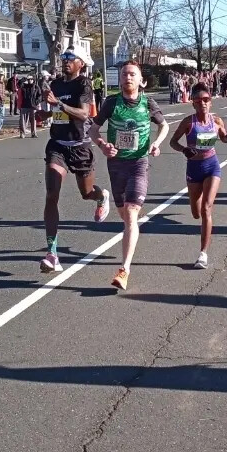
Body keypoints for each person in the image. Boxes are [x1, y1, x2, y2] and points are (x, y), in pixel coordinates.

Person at [89, 60, 169, 290]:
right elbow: (93, 129)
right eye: (124, 74)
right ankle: (108, 200)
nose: (128, 78)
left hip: (138, 163)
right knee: (125, 215)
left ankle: (124, 269)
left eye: (132, 74)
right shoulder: (111, 102)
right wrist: (103, 145)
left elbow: (164, 126)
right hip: (116, 164)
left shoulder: (147, 103)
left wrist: (156, 143)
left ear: (141, 80)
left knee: (132, 214)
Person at [40, 47, 111, 273]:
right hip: (58, 145)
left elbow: (84, 113)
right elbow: (58, 112)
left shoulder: (84, 84)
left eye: (71, 58)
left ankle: (101, 197)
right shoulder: (56, 84)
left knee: (86, 193)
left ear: (81, 63)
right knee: (51, 194)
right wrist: (46, 114)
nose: (66, 61)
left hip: (80, 146)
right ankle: (52, 253)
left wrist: (58, 104)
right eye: (63, 57)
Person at [170, 81, 227, 268]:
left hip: (211, 166)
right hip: (194, 168)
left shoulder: (216, 121)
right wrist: (184, 150)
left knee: (207, 209)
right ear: (193, 104)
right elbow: (173, 142)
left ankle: (203, 254)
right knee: (196, 213)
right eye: (198, 101)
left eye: (206, 100)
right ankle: (195, 206)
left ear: (210, 101)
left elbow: (223, 138)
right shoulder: (188, 122)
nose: (202, 104)